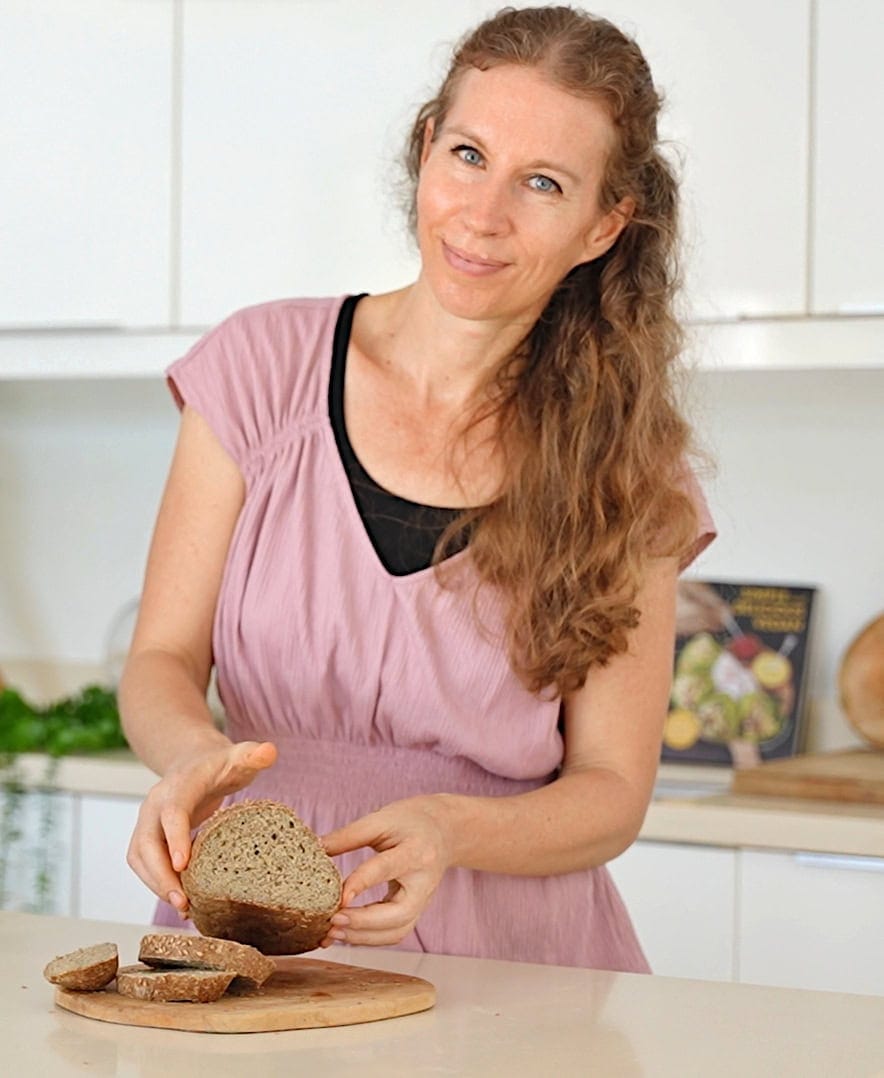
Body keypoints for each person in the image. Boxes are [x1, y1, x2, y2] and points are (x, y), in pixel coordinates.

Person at [120, 4, 715, 973]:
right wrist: (195, 758)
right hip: (246, 915)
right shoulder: (260, 367)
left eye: (542, 182)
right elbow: (160, 658)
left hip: (516, 956)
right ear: (426, 146)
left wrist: (451, 828)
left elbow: (611, 788)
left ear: (603, 224)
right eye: (469, 154)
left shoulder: (629, 470)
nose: (482, 215)